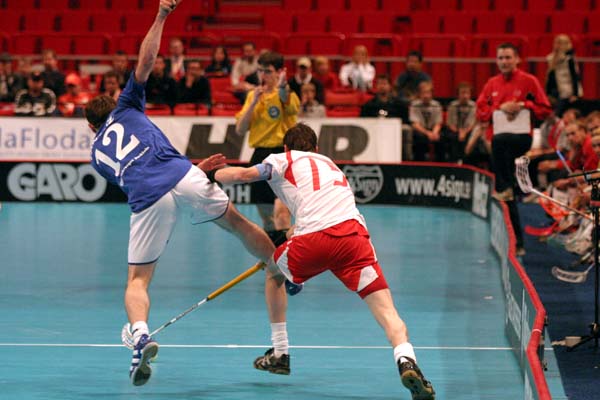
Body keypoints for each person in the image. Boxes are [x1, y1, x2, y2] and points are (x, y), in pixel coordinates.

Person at [84, 0, 278, 386]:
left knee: (137, 281)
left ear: (92, 127)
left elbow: (138, 171)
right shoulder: (127, 106)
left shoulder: (95, 155)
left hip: (147, 197)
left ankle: (140, 334)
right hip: (181, 172)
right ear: (116, 105)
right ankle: (281, 269)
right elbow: (147, 59)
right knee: (238, 225)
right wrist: (161, 15)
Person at [207, 123, 435, 400]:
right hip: (354, 239)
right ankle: (406, 360)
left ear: (286, 147)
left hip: (314, 241)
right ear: (316, 148)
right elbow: (322, 214)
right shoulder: (331, 166)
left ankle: (280, 352)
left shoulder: (282, 159)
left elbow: (242, 175)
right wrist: (290, 236)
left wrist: (209, 174)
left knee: (273, 273)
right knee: (388, 313)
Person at [476, 42, 552, 256]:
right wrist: (499, 107)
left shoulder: (529, 81)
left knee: (500, 145)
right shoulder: (492, 84)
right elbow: (481, 110)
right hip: (498, 143)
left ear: (517, 59)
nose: (504, 62)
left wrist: (522, 105)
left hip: (520, 139)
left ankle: (506, 187)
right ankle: (516, 242)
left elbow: (545, 109)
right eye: (500, 58)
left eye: (508, 57)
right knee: (506, 190)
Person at [235, 50, 300, 241]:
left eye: (268, 71)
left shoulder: (286, 93)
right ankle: (274, 252)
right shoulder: (252, 96)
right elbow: (240, 129)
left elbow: (286, 100)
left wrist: (283, 85)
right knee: (267, 220)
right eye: (260, 71)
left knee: (282, 213)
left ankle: (287, 254)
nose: (263, 75)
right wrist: (254, 101)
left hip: (282, 155)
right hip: (260, 156)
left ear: (280, 72)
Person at [545, 34, 582, 115]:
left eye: (561, 43)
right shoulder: (551, 58)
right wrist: (548, 92)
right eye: (557, 43)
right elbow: (550, 77)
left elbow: (574, 77)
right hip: (555, 91)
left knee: (559, 113)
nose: (558, 46)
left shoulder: (569, 59)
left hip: (567, 91)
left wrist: (575, 94)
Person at [409, 81, 444, 161]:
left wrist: (434, 133)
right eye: (423, 93)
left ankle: (441, 164)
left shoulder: (436, 105)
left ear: (431, 94)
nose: (426, 96)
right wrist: (427, 133)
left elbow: (438, 123)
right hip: (421, 131)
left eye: (428, 93)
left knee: (442, 138)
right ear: (419, 94)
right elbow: (415, 124)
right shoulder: (414, 105)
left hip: (433, 130)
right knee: (418, 138)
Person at [446, 82, 477, 163]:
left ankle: (468, 163)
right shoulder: (452, 105)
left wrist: (464, 132)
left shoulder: (474, 106)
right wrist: (458, 131)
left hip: (468, 130)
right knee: (452, 137)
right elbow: (450, 123)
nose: (465, 96)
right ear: (458, 95)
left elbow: (472, 123)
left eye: (467, 93)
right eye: (463, 93)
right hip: (455, 130)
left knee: (472, 138)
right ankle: (454, 162)